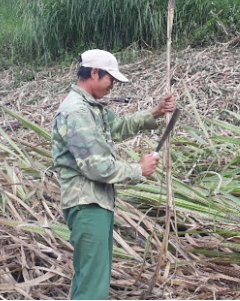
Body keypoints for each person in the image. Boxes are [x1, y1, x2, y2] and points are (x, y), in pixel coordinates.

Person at [51, 49, 175, 300]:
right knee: (93, 286)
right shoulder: (77, 111)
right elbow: (97, 167)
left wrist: (156, 113)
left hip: (94, 203)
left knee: (89, 278)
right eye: (111, 79)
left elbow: (117, 126)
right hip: (87, 204)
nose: (113, 86)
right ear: (94, 73)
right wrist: (138, 170)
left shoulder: (89, 108)